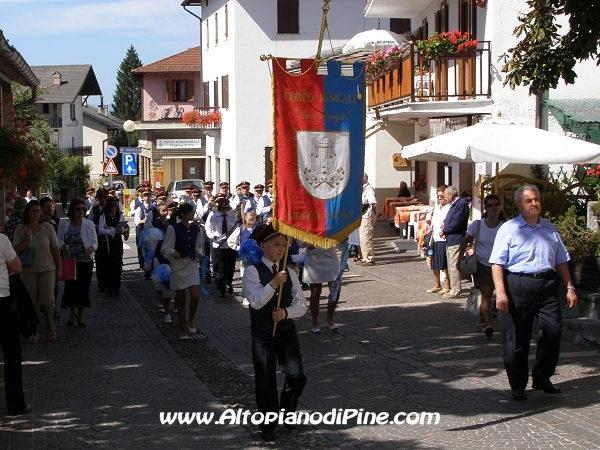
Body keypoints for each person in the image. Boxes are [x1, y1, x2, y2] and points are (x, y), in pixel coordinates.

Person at [489, 185, 577, 401]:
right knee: (517, 339)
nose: (535, 203)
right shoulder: (509, 229)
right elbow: (497, 263)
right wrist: (501, 293)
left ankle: (542, 376)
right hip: (518, 285)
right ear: (519, 205)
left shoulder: (549, 228)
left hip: (546, 285)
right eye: (529, 201)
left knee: (552, 331)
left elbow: (561, 260)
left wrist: (570, 287)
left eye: (536, 199)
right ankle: (518, 385)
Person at [242, 224, 307, 442]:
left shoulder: (289, 272)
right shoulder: (252, 271)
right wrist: (273, 283)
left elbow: (301, 303)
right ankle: (268, 424)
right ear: (263, 246)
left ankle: (287, 409)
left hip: (286, 331)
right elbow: (256, 301)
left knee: (296, 374)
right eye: (276, 244)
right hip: (262, 333)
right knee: (265, 379)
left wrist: (287, 313)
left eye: (283, 244)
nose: (281, 248)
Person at [457, 194, 506, 337]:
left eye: (496, 204)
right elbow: (465, 241)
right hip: (482, 264)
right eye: (490, 205)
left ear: (500, 206)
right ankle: (488, 324)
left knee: (494, 295)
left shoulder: (506, 226)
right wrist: (459, 260)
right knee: (486, 293)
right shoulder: (478, 225)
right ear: (486, 208)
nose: (493, 207)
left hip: (500, 265)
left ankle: (482, 320)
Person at [13, 201, 62, 343]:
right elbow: (15, 251)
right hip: (28, 270)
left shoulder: (48, 228)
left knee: (47, 301)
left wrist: (59, 268)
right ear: (28, 212)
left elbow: (55, 248)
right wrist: (27, 239)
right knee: (31, 303)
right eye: (33, 210)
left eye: (38, 211)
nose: (36, 213)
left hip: (47, 268)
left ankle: (50, 326)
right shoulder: (20, 229)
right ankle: (34, 331)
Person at [0, 232, 32, 416]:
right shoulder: (2, 240)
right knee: (11, 354)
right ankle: (16, 404)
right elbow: (17, 266)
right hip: (2, 301)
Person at [161, 203, 202, 340]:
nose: (192, 214)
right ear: (183, 214)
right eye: (190, 212)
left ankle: (191, 319)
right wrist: (173, 252)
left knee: (195, 295)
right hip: (178, 266)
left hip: (191, 265)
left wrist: (200, 254)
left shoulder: (197, 228)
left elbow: (198, 246)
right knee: (181, 300)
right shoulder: (173, 228)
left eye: (193, 212)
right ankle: (183, 328)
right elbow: (165, 248)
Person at [57, 197, 98, 327]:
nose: (81, 211)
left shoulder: (89, 224)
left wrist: (91, 248)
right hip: (70, 261)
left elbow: (94, 242)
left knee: (83, 290)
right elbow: (58, 239)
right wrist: (63, 246)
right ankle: (72, 313)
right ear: (73, 210)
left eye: (83, 209)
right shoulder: (64, 224)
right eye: (78, 209)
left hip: (85, 261)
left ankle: (80, 316)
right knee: (71, 289)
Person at [440, 186, 470, 299]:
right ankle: (453, 288)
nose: (444, 197)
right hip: (451, 239)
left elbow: (456, 222)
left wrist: (445, 230)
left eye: (445, 195)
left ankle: (456, 290)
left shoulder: (461, 204)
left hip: (456, 239)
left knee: (454, 266)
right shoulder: (454, 205)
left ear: (450, 195)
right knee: (451, 265)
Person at [303, 245, 340, 333]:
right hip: (313, 258)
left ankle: (329, 319)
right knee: (315, 292)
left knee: (336, 290)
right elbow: (298, 238)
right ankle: (315, 323)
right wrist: (305, 243)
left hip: (330, 257)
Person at [207, 197, 238, 297]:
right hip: (219, 245)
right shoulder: (214, 217)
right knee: (221, 267)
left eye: (226, 209)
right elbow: (209, 230)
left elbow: (237, 228)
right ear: (219, 208)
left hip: (231, 244)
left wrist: (232, 233)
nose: (224, 211)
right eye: (222, 209)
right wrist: (214, 237)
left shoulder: (232, 216)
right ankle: (222, 288)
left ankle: (229, 283)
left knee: (231, 266)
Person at [98, 197, 126, 297]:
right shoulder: (103, 217)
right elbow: (101, 230)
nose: (114, 208)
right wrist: (113, 230)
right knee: (108, 266)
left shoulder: (120, 216)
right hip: (107, 243)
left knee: (118, 265)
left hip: (117, 243)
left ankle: (117, 287)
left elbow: (122, 228)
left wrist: (110, 228)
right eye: (112, 206)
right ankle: (110, 287)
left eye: (115, 206)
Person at [227, 210, 257, 306]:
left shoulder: (257, 229)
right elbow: (230, 241)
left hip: (256, 258)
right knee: (246, 277)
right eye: (250, 220)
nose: (252, 222)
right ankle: (245, 296)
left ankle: (254, 295)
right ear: (245, 219)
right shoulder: (241, 229)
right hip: (246, 258)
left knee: (255, 277)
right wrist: (239, 248)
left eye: (253, 220)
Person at [426, 186, 451, 295]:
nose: (440, 198)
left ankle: (447, 285)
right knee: (433, 261)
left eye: (442, 196)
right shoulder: (436, 208)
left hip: (443, 239)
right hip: (433, 239)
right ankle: (437, 285)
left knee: (444, 263)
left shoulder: (449, 208)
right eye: (439, 196)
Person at [88, 188, 109, 292]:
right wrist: (98, 227)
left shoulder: (111, 208)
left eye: (105, 197)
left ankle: (110, 282)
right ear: (98, 199)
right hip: (99, 238)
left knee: (110, 262)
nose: (104, 199)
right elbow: (90, 223)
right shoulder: (94, 209)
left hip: (110, 239)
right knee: (100, 262)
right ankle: (102, 283)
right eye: (101, 197)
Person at [359, 172, 379, 266]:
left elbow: (374, 204)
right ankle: (365, 257)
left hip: (367, 216)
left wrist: (376, 214)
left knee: (367, 237)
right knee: (363, 237)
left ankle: (370, 258)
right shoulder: (363, 189)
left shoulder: (369, 189)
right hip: (363, 216)